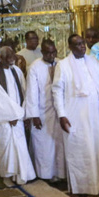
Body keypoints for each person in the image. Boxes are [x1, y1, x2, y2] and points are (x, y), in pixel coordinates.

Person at [52, 33, 99, 195]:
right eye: (77, 44)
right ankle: (83, 187)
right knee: (80, 149)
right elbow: (57, 91)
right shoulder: (63, 65)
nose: (82, 46)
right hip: (75, 115)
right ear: (70, 47)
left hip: (95, 114)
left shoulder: (93, 62)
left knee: (97, 147)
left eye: (82, 43)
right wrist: (62, 115)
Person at [0, 46, 36, 185]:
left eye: (13, 57)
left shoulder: (17, 71)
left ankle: (20, 175)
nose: (12, 60)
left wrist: (21, 114)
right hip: (4, 119)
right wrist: (10, 115)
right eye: (8, 58)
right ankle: (6, 176)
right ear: (1, 58)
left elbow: (24, 91)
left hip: (18, 117)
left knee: (20, 146)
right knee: (5, 146)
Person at [25, 40, 65, 181]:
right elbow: (31, 93)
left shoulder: (60, 63)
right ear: (42, 52)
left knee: (59, 144)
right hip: (42, 112)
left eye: (54, 52)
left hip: (58, 112)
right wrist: (34, 115)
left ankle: (60, 174)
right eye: (48, 52)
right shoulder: (35, 67)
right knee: (43, 145)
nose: (51, 55)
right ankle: (45, 175)